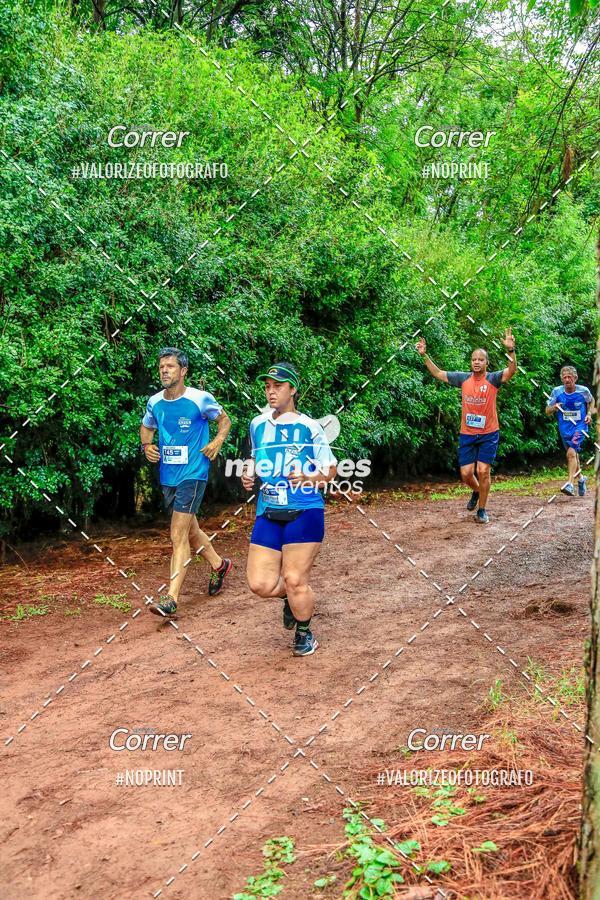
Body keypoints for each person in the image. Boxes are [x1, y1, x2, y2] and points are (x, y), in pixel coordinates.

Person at [241, 362, 337, 656]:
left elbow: (330, 470)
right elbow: (255, 457)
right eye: (267, 387)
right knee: (259, 584)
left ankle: (304, 633)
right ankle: (291, 598)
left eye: (278, 386)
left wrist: (309, 477)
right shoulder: (257, 424)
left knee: (295, 579)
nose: (271, 392)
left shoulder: (310, 427)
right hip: (269, 510)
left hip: (304, 510)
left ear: (292, 389)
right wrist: (249, 471)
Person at [140, 347, 233, 618]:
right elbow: (147, 426)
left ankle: (171, 598)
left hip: (193, 473)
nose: (164, 371)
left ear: (183, 371)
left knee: (177, 535)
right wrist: (147, 446)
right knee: (191, 532)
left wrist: (217, 441)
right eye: (161, 367)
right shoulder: (155, 402)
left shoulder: (199, 399)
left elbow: (224, 420)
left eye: (170, 366)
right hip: (168, 475)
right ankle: (220, 565)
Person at [416, 329, 517, 524]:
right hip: (468, 434)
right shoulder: (463, 379)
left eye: (481, 359)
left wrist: (511, 351)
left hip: (489, 433)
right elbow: (438, 373)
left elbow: (511, 371)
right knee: (466, 474)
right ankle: (478, 491)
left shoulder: (493, 379)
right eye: (474, 359)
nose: (476, 362)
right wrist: (424, 355)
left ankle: (482, 510)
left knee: (483, 471)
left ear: (487, 363)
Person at [545, 366, 594, 497]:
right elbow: (547, 411)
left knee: (571, 453)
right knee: (573, 455)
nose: (567, 380)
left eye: (569, 377)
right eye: (564, 377)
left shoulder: (583, 391)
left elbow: (591, 401)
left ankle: (570, 484)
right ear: (562, 379)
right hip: (565, 429)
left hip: (580, 427)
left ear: (575, 378)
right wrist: (554, 408)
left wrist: (589, 414)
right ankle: (581, 479)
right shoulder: (557, 392)